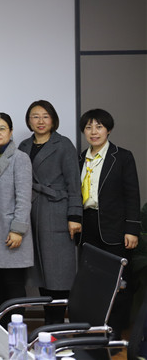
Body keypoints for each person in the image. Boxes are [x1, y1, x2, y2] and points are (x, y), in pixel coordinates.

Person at [18, 100, 81, 325]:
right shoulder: (24, 145)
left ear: (53, 119)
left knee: (58, 272)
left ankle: (55, 324)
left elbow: (74, 183)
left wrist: (74, 216)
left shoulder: (63, 144)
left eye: (45, 116)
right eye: (35, 116)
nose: (41, 121)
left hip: (56, 211)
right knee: (40, 272)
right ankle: (49, 324)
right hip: (31, 213)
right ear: (29, 121)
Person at [78, 108, 140, 337]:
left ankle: (115, 330)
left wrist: (132, 228)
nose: (94, 132)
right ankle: (94, 328)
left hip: (115, 227)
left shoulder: (122, 157)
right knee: (92, 280)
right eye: (88, 127)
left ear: (108, 130)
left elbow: (132, 194)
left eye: (99, 127)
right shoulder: (80, 158)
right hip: (88, 226)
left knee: (118, 282)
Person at [0, 113, 33, 325]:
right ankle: (4, 330)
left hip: (10, 231)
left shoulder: (20, 158)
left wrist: (18, 229)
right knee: (2, 283)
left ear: (10, 132)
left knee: (13, 286)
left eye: (1, 129)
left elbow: (24, 198)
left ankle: (16, 332)